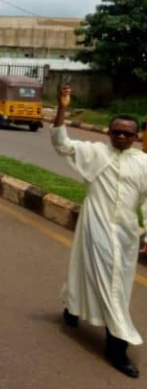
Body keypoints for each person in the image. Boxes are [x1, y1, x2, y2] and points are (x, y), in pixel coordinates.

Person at [53, 84, 147, 379]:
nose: (121, 137)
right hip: (96, 224)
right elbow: (61, 143)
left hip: (126, 233)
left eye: (127, 134)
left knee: (109, 279)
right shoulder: (94, 152)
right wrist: (62, 108)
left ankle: (72, 305)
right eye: (116, 132)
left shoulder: (144, 163)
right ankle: (117, 346)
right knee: (112, 286)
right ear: (109, 132)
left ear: (137, 137)